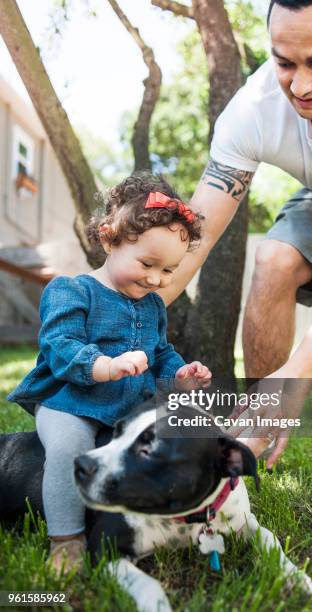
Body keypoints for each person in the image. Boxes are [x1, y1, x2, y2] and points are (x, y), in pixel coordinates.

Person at [157, 0, 312, 465]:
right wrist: (108, 318)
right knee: (274, 260)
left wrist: (296, 379)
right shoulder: (253, 108)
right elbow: (194, 239)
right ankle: (258, 436)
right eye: (284, 62)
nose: (301, 84)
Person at [8, 172, 212, 574]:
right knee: (69, 451)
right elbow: (58, 345)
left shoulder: (153, 306)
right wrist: (103, 365)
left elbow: (161, 354)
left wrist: (180, 374)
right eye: (147, 263)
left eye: (168, 271)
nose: (156, 279)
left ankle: (144, 519)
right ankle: (65, 539)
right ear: (108, 240)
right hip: (71, 404)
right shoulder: (72, 290)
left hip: (125, 410)